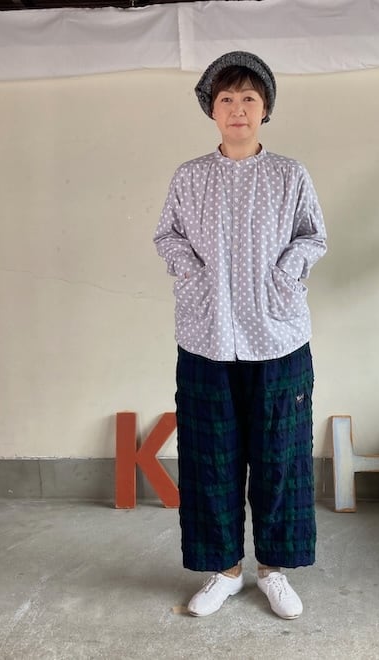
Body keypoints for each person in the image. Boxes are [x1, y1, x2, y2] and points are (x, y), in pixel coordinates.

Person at [154, 51, 327, 619]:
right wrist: (194, 275)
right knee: (210, 458)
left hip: (278, 337)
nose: (237, 108)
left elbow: (313, 236)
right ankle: (224, 571)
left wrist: (285, 273)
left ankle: (273, 570)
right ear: (212, 109)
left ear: (265, 107)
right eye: (226, 98)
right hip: (206, 336)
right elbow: (168, 236)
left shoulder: (289, 175)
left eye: (249, 98)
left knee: (281, 458)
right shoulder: (190, 176)